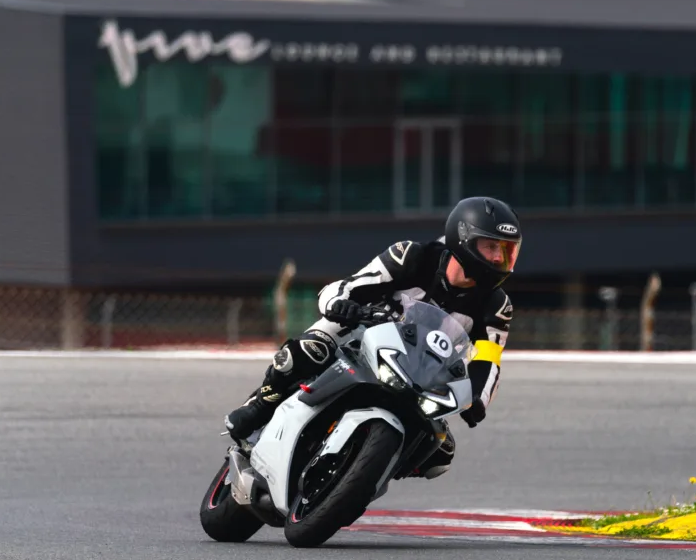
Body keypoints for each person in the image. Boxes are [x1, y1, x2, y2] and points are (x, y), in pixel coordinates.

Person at [223, 196, 522, 480]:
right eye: (491, 247)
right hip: (359, 339)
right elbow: (350, 286)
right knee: (308, 351)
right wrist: (340, 304)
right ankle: (261, 404)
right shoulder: (412, 256)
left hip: (420, 375)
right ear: (464, 239)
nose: (499, 258)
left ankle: (370, 471)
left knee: (439, 448)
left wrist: (477, 400)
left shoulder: (497, 306)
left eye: (507, 250)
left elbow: (489, 360)